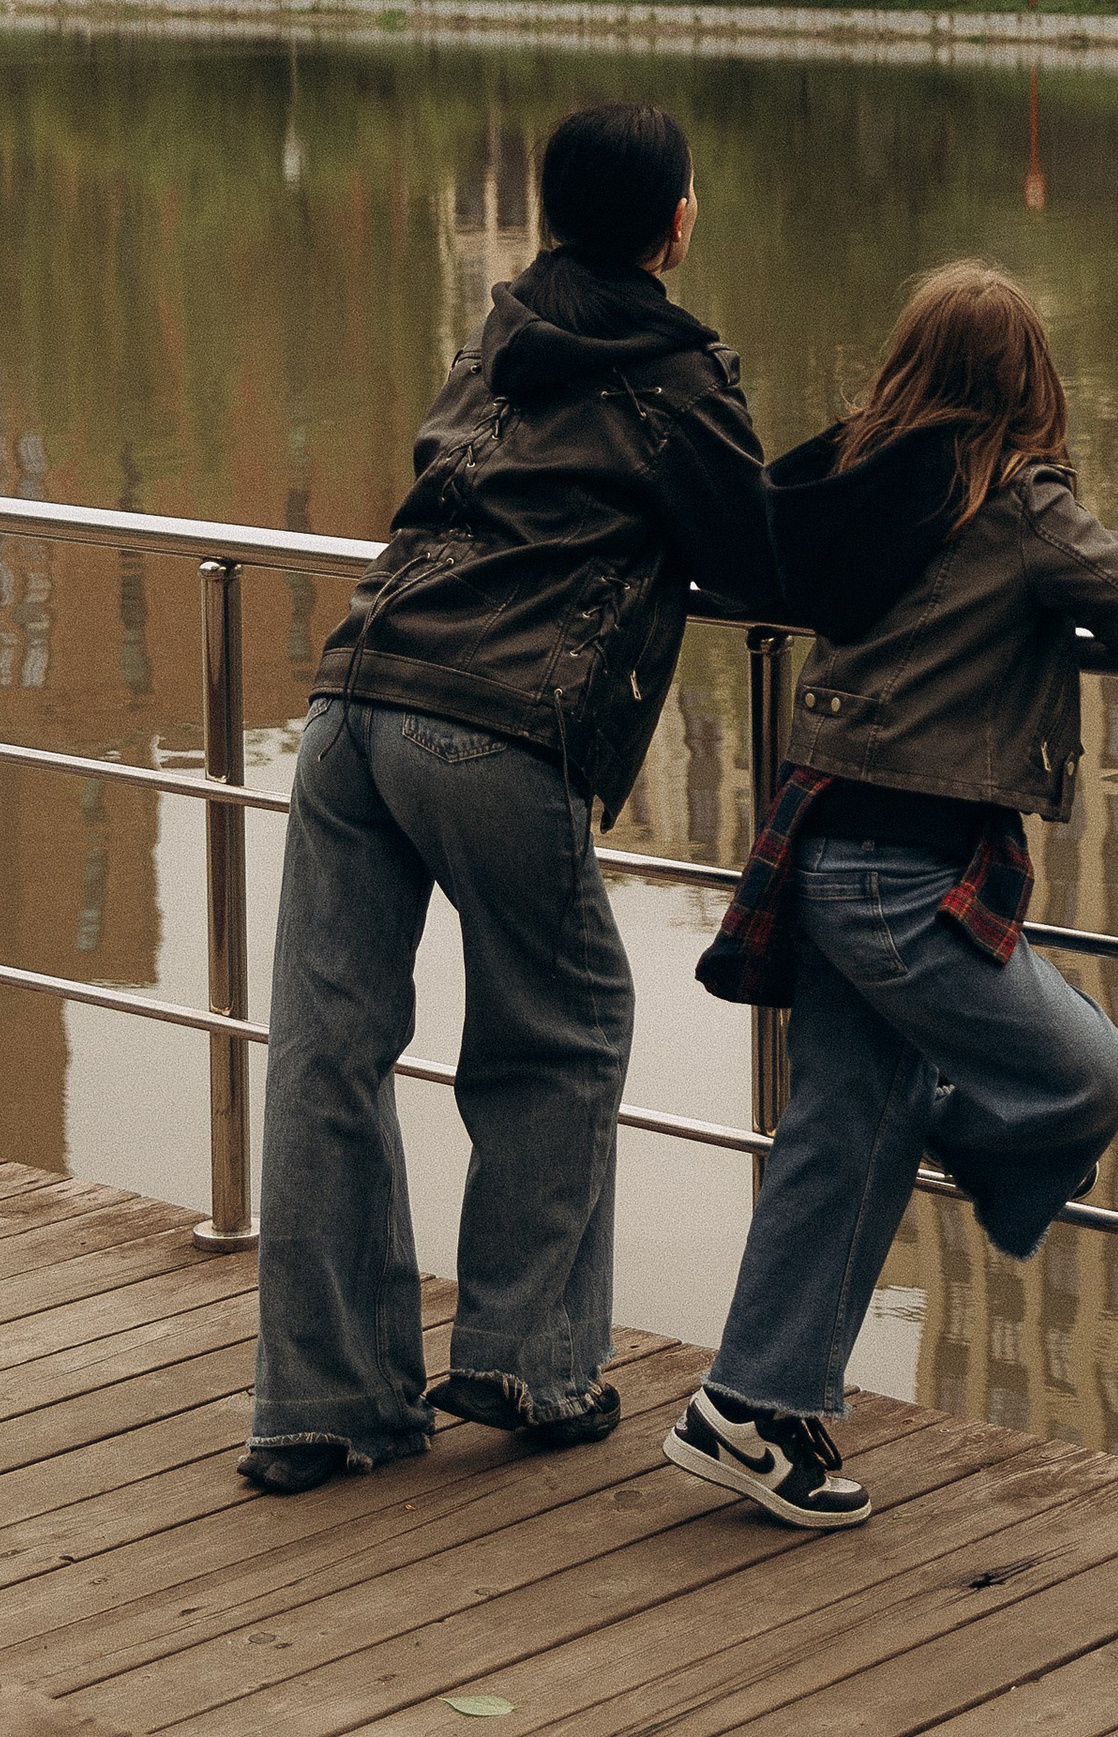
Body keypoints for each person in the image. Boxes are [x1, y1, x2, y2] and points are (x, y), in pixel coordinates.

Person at [239, 99, 774, 1494]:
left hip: (353, 696)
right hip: (493, 716)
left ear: (547, 216)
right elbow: (763, 553)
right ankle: (526, 1356)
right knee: (568, 1019)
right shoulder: (679, 367)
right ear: (675, 222)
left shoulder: (501, 329)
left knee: (326, 1048)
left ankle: (319, 1404)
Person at [667, 259, 1118, 1531]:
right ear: (1030, 384)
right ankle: (952, 1158)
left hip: (819, 845)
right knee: (1088, 1076)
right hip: (901, 876)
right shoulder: (1014, 503)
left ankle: (749, 1405)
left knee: (840, 1124)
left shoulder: (845, 493)